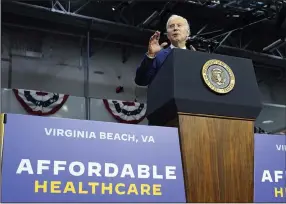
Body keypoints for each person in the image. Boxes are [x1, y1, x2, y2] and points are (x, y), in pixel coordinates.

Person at [134, 15, 195, 86]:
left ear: (188, 33)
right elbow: (141, 81)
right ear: (168, 35)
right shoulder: (158, 55)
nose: (175, 28)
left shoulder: (195, 57)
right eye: (171, 26)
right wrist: (151, 55)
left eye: (179, 25)